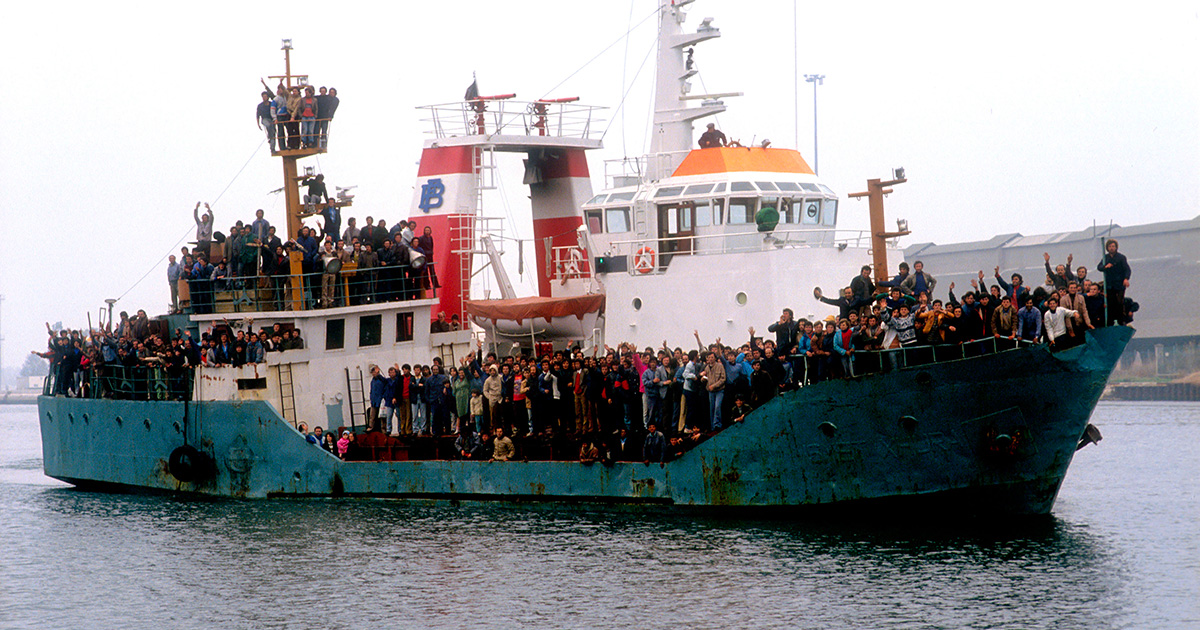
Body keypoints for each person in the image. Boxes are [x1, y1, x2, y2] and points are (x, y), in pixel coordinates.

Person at [1097, 238, 1131, 326]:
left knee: (1119, 302)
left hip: (1119, 284)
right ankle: (1110, 321)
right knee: (1110, 303)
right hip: (1109, 284)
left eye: (1113, 246)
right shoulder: (1105, 258)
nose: (1111, 248)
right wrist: (1105, 267)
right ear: (1107, 248)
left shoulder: (1121, 257)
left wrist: (1126, 279)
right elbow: (1099, 267)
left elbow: (1127, 269)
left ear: (1116, 247)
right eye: (1110, 246)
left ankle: (1121, 320)